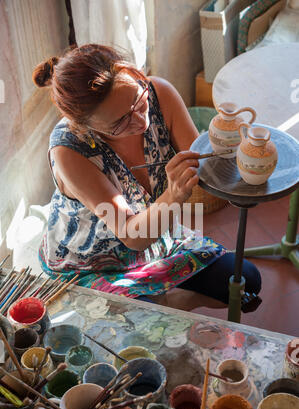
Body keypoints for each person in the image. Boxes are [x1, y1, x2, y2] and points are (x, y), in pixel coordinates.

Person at [32, 44, 261, 309]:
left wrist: (232, 148)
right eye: (119, 123)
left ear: (135, 75)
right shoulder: (69, 150)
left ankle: (168, 301)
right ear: (85, 126)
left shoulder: (159, 93)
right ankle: (162, 303)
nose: (141, 121)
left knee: (245, 280)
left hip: (158, 240)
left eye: (139, 102)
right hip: (93, 262)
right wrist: (173, 195)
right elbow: (132, 235)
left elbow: (207, 169)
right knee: (140, 322)